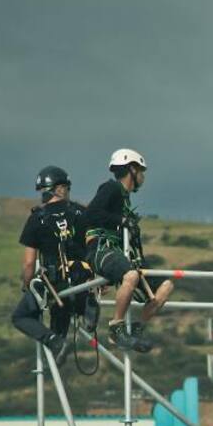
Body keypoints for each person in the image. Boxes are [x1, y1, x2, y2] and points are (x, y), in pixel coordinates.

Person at [82, 148, 173, 352]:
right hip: (102, 249)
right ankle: (117, 329)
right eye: (141, 171)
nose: (142, 176)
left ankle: (137, 328)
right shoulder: (111, 188)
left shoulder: (124, 198)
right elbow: (92, 213)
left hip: (124, 254)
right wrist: (121, 220)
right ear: (132, 170)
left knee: (165, 286)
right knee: (130, 276)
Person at [10, 165, 97, 363]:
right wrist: (97, 281)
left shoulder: (37, 219)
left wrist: (27, 285)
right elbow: (94, 246)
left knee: (21, 316)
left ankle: (55, 342)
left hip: (55, 284)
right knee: (68, 307)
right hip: (83, 282)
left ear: (48, 190)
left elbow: (29, 263)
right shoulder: (81, 213)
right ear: (61, 188)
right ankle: (86, 307)